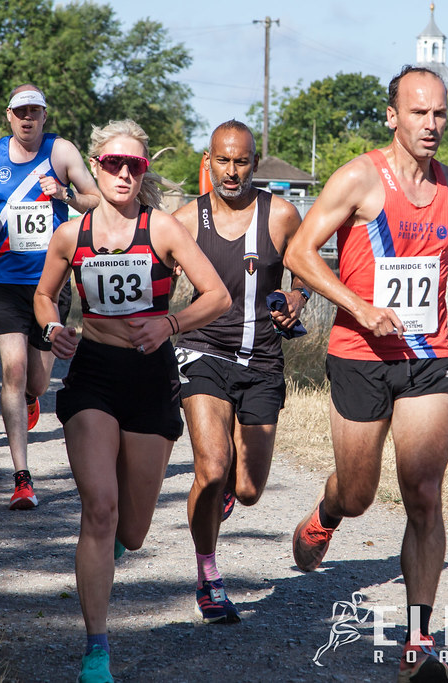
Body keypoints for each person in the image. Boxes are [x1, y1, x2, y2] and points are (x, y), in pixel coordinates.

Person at [284, 65, 448, 683]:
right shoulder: (359, 179)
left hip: (426, 355)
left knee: (425, 495)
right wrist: (357, 307)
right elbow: (299, 253)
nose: (431, 124)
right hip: (359, 356)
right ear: (393, 116)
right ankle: (327, 513)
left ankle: (419, 644)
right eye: (418, 112)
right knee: (359, 494)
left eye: (439, 114)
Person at [33, 118, 230, 683]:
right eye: (113, 164)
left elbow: (215, 294)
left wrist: (170, 322)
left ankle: (110, 551)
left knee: (134, 531)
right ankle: (96, 650)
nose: (123, 173)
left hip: (151, 379)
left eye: (134, 165)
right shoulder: (73, 235)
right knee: (99, 508)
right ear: (96, 167)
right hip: (93, 374)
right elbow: (46, 296)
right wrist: (53, 332)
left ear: (143, 172)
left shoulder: (162, 228)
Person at [171, 120, 307, 624]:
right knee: (210, 467)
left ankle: (226, 491)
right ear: (209, 161)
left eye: (242, 161)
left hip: (264, 361)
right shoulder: (187, 219)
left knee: (247, 489)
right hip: (203, 351)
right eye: (222, 161)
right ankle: (209, 576)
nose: (232, 171)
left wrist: (299, 295)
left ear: (255, 162)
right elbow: (153, 267)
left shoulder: (282, 215)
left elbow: (309, 264)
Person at [0, 84, 100, 509]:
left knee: (36, 380)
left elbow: (96, 198)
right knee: (14, 370)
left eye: (34, 113)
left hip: (50, 285)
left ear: (44, 116)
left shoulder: (61, 153)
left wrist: (65, 195)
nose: (27, 119)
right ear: (9, 116)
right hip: (5, 280)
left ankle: (30, 398)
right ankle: (22, 477)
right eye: (20, 112)